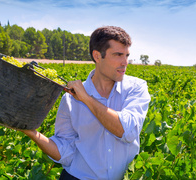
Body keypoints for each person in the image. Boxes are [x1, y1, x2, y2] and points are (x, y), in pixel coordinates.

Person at [21, 26, 151, 180]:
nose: (125, 62)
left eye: (127, 55)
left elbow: (127, 131)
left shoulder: (136, 88)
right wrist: (31, 132)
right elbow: (66, 153)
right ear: (97, 56)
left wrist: (87, 99)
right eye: (118, 55)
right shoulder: (69, 99)